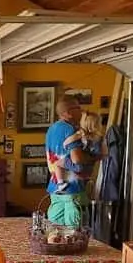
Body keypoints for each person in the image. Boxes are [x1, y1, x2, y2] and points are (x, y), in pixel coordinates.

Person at [45, 95, 96, 227]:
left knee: (56, 230)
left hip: (55, 187)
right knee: (75, 234)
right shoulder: (71, 130)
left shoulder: (51, 129)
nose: (81, 110)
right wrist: (91, 157)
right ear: (68, 113)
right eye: (77, 108)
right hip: (72, 189)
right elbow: (77, 159)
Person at [51, 111, 107, 193]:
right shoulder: (99, 138)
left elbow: (66, 143)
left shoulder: (80, 134)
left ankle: (60, 183)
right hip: (89, 167)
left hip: (78, 165)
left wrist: (65, 144)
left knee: (57, 164)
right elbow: (103, 154)